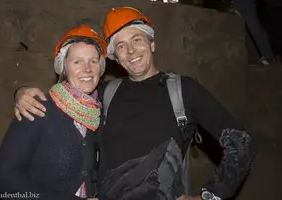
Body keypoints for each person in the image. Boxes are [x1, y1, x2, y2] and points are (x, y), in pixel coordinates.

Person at [13, 7, 255, 200]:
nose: (130, 51)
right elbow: (66, 97)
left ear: (151, 44)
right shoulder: (105, 92)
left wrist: (210, 196)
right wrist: (21, 92)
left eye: (137, 40)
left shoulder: (183, 90)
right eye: (121, 46)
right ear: (115, 57)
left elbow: (241, 143)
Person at [0, 24, 107, 200]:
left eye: (93, 61)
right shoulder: (38, 108)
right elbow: (3, 179)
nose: (88, 68)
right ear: (63, 68)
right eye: (77, 61)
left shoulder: (97, 114)